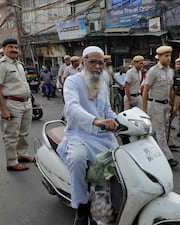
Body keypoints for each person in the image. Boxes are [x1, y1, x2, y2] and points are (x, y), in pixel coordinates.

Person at [57, 46, 119, 225]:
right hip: (78, 134)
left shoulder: (102, 82)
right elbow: (73, 107)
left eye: (101, 63)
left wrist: (119, 120)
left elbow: (107, 109)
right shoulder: (72, 81)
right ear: (83, 62)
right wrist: (96, 121)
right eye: (93, 62)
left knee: (117, 161)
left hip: (102, 136)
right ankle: (81, 207)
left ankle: (104, 204)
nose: (98, 66)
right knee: (77, 159)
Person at [0, 38, 35, 171]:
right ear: (4, 49)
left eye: (16, 48)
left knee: (24, 133)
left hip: (26, 103)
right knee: (11, 135)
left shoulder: (19, 65)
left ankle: (22, 154)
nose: (14, 50)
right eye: (10, 47)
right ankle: (11, 162)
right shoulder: (0, 65)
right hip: (11, 104)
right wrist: (3, 109)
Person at [142, 46, 179, 168]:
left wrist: (171, 105)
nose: (168, 58)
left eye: (169, 56)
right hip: (155, 104)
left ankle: (144, 149)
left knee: (153, 131)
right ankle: (168, 158)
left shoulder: (170, 71)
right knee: (161, 132)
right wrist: (143, 110)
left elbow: (171, 89)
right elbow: (145, 90)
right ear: (160, 57)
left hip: (165, 104)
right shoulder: (153, 71)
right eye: (166, 56)